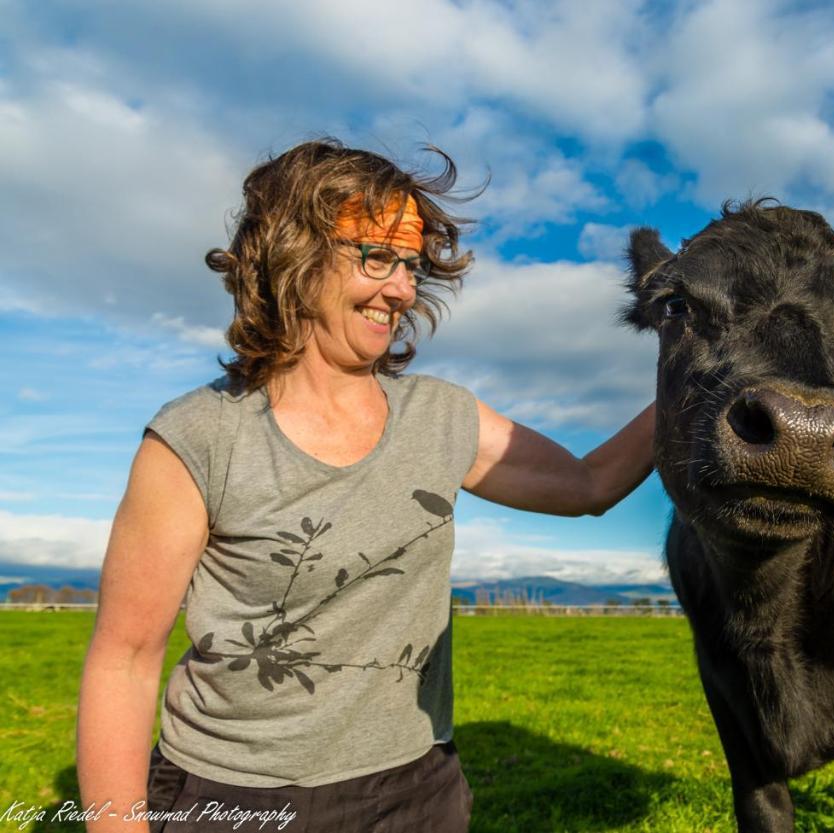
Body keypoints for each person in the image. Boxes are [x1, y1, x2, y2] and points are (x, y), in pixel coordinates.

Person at [76, 138, 655, 832]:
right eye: (376, 257)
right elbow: (125, 659)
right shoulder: (198, 437)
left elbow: (590, 483)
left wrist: (708, 385)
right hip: (233, 798)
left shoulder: (441, 417)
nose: (403, 288)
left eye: (410, 265)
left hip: (417, 791)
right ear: (294, 253)